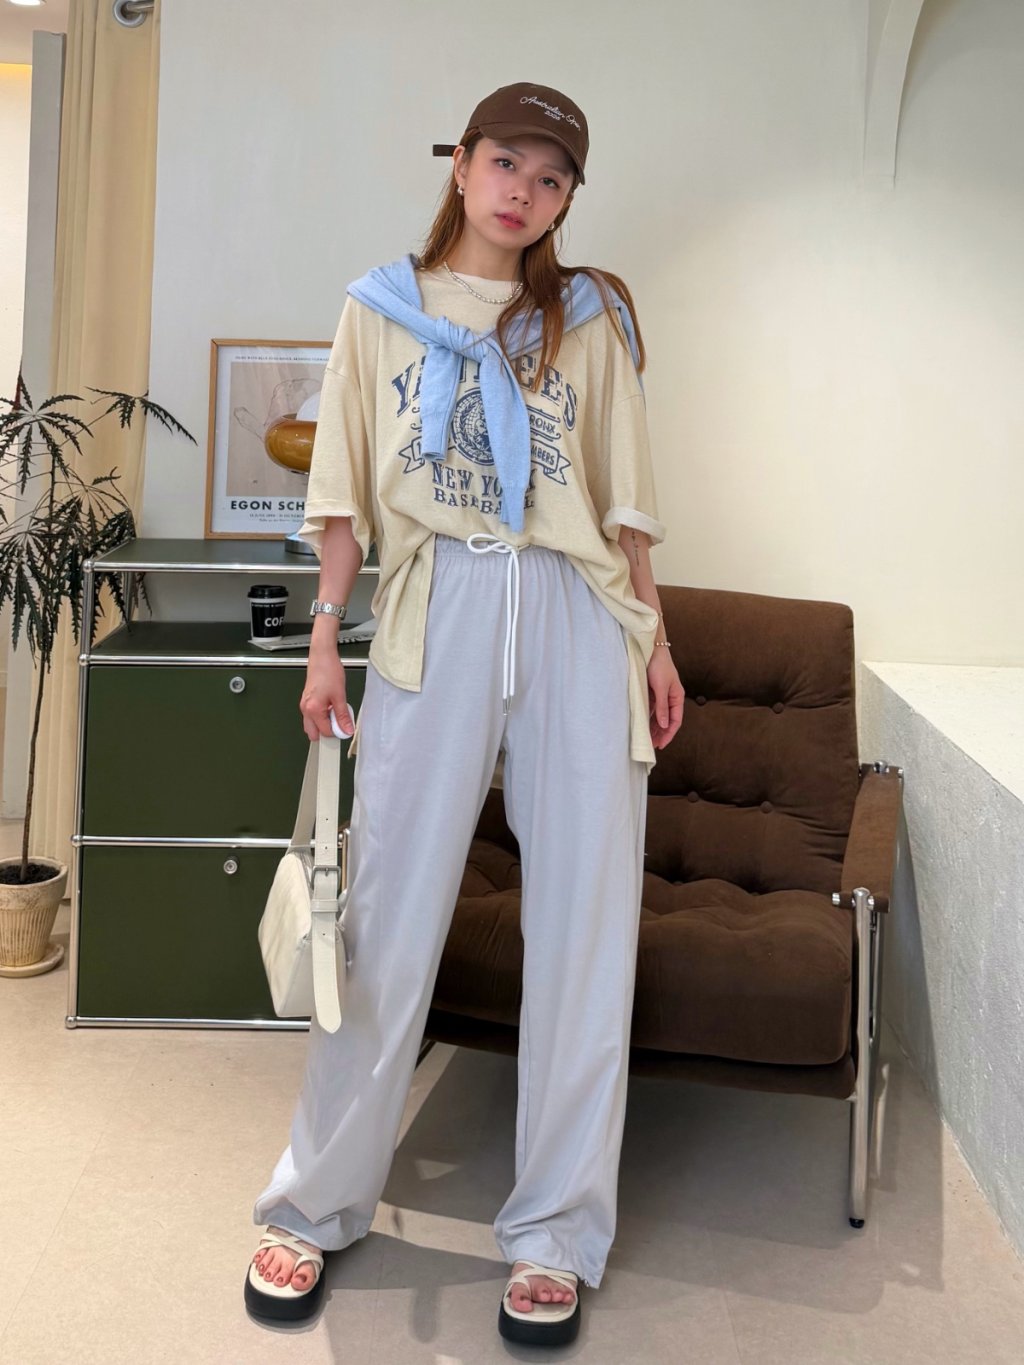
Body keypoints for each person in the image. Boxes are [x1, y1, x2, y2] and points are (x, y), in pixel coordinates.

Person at [244, 80, 684, 1346]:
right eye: (505, 164)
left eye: (550, 179)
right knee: (384, 921)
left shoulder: (587, 317)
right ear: (462, 164)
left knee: (584, 930)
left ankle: (554, 1233)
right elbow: (341, 496)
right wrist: (325, 639)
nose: (522, 193)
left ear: (564, 198)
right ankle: (315, 1202)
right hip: (435, 605)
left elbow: (625, 505)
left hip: (576, 615)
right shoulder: (379, 308)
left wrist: (652, 642)